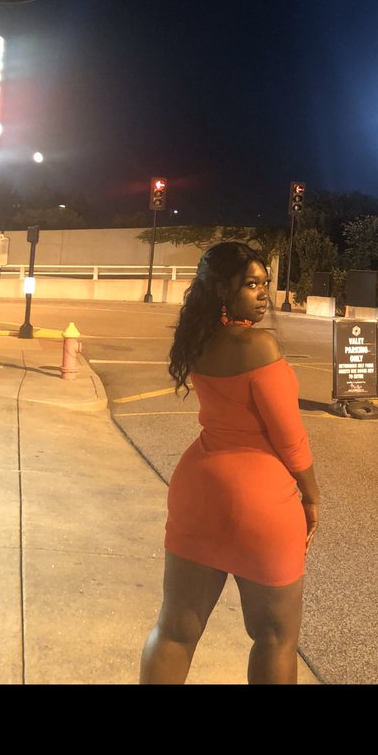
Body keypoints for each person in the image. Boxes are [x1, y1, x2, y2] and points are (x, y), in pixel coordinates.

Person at [139, 240, 320, 685]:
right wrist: (312, 495)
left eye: (265, 284)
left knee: (175, 630)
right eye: (251, 284)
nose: (263, 295)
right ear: (222, 289)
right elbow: (290, 439)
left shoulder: (197, 341)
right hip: (260, 500)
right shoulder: (260, 346)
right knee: (275, 636)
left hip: (199, 488)